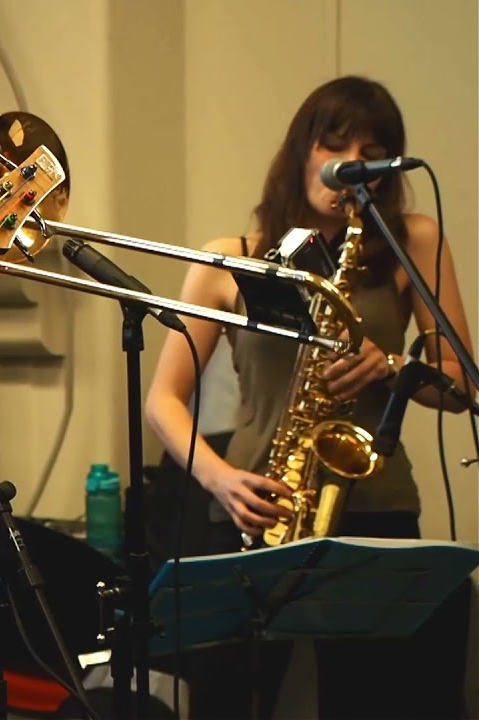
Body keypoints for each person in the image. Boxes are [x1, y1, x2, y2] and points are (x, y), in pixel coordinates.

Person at [144, 75, 474, 719]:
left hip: (374, 508)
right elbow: (163, 400)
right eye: (335, 144)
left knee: (374, 704)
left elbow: (459, 382)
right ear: (302, 151)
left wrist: (393, 366)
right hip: (256, 507)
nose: (350, 164)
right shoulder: (229, 259)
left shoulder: (412, 241)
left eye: (370, 152)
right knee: (229, 703)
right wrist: (220, 481)